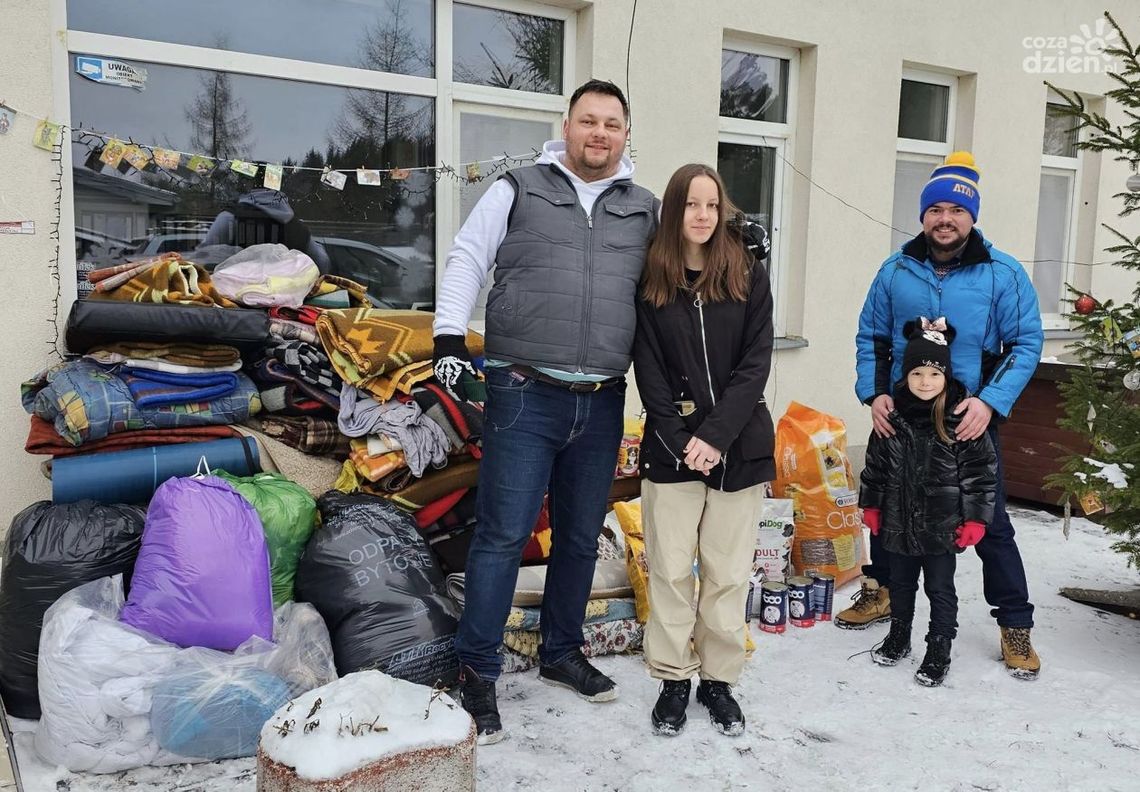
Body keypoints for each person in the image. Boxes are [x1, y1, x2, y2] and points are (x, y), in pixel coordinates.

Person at [430, 79, 659, 744]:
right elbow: (468, 256)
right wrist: (449, 335)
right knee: (502, 536)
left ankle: (561, 652)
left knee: (582, 538)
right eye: (589, 121)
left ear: (624, 133)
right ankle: (476, 672)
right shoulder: (519, 187)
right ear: (568, 125)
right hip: (524, 392)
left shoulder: (643, 208)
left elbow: (674, 286)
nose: (599, 134)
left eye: (612, 124)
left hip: (603, 398)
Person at [852, 151, 1045, 679]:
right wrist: (875, 395)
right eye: (935, 209)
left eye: (956, 211)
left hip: (966, 420)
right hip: (903, 418)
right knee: (889, 506)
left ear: (972, 217)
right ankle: (884, 592)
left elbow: (1025, 343)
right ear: (922, 216)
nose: (945, 219)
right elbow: (871, 336)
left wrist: (989, 402)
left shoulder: (1000, 274)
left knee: (990, 521)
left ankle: (1014, 623)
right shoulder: (896, 271)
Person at [632, 164, 774, 736]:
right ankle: (672, 679)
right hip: (670, 451)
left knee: (727, 572)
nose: (702, 215)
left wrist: (715, 438)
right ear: (674, 210)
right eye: (692, 204)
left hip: (739, 447)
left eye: (712, 205)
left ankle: (719, 681)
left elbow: (756, 362)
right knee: (668, 570)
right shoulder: (652, 279)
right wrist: (680, 439)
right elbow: (649, 367)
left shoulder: (746, 272)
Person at [859, 317, 996, 687]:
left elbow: (981, 475)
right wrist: (871, 505)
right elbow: (874, 469)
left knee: (940, 588)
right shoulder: (891, 418)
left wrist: (976, 520)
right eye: (917, 373)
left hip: (941, 526)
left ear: (946, 378)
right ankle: (899, 635)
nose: (925, 382)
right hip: (898, 522)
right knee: (900, 584)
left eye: (934, 375)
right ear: (905, 376)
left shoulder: (959, 420)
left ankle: (939, 645)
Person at [200, 178, 331, 273]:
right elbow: (322, 263)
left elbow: (204, 259)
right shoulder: (297, 227)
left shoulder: (229, 218)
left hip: (231, 303)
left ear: (248, 187)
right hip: (285, 304)